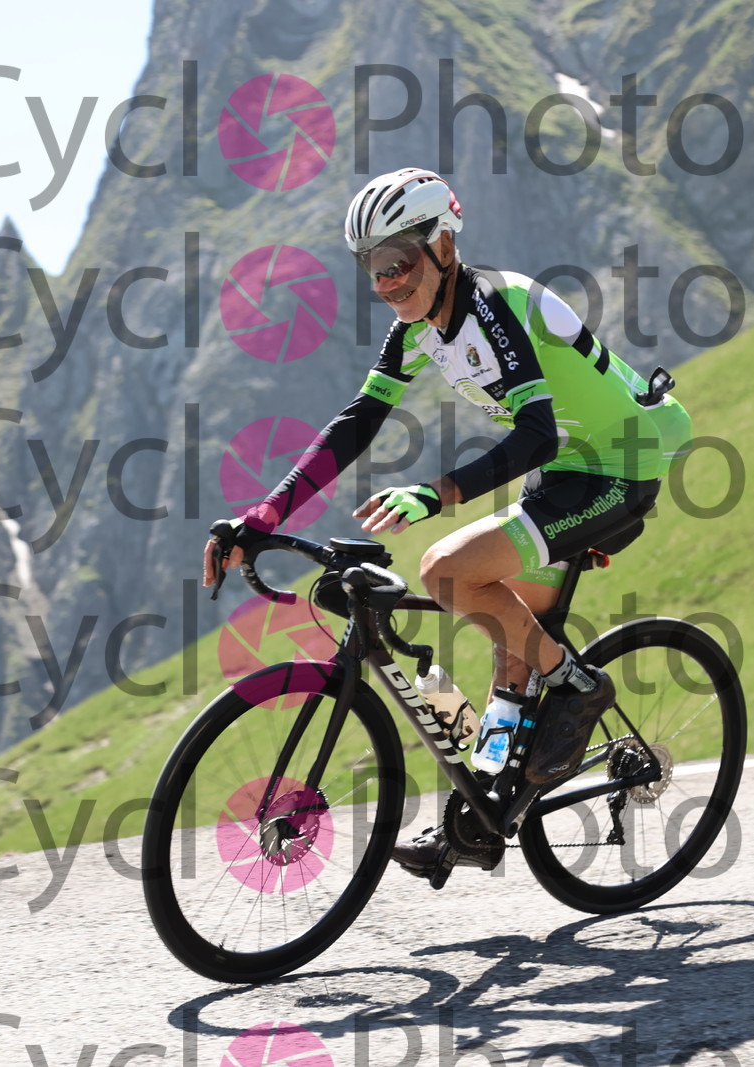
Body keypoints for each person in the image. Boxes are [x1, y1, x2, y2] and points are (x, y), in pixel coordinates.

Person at [202, 166, 692, 876]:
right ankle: (484, 809)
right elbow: (357, 420)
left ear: (443, 246)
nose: (385, 282)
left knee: (447, 572)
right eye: (371, 267)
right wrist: (263, 514)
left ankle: (580, 688)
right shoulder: (419, 326)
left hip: (622, 463)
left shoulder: (494, 305)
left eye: (397, 262)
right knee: (511, 637)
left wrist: (434, 496)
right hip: (568, 467)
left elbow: (536, 436)